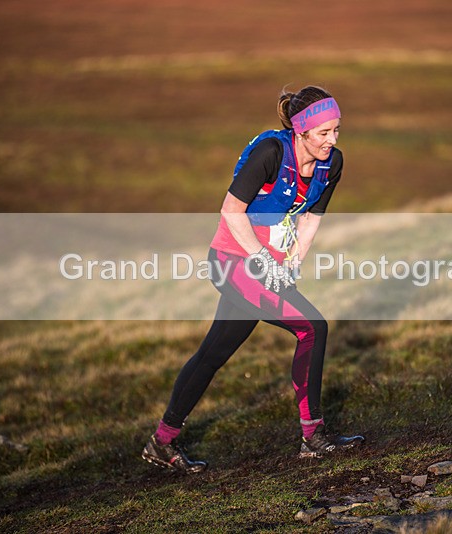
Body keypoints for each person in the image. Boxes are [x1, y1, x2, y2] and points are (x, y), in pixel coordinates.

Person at [142, 86, 364, 473]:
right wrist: (264, 261)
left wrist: (293, 261)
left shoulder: (332, 163)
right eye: (324, 132)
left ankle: (162, 442)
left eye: (337, 130)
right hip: (232, 263)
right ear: (301, 131)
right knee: (313, 327)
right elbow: (231, 212)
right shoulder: (271, 154)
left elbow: (312, 218)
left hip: (267, 268)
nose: (332, 139)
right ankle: (313, 437)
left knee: (213, 354)